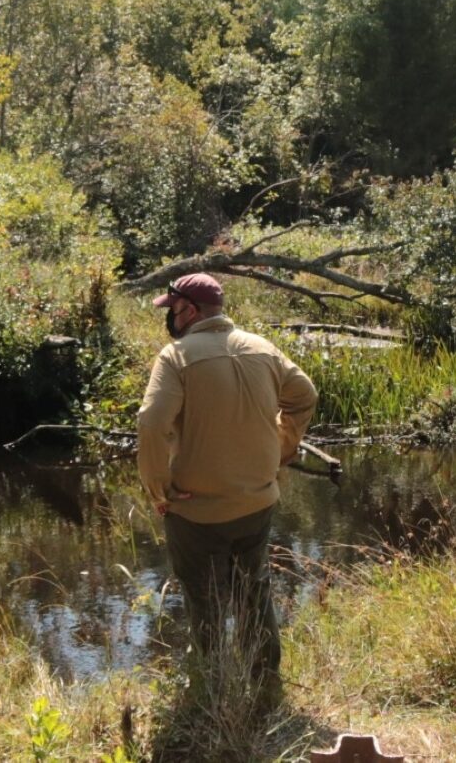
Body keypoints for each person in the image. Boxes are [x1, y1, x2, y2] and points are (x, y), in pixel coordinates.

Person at [136, 273, 317, 698]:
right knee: (254, 590)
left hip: (195, 509)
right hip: (257, 502)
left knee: (203, 597)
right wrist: (280, 450)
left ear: (191, 311)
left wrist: (158, 488)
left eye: (172, 309)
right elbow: (304, 395)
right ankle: (265, 683)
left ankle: (212, 687)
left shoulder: (176, 356)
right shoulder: (262, 348)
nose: (170, 318)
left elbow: (151, 423)